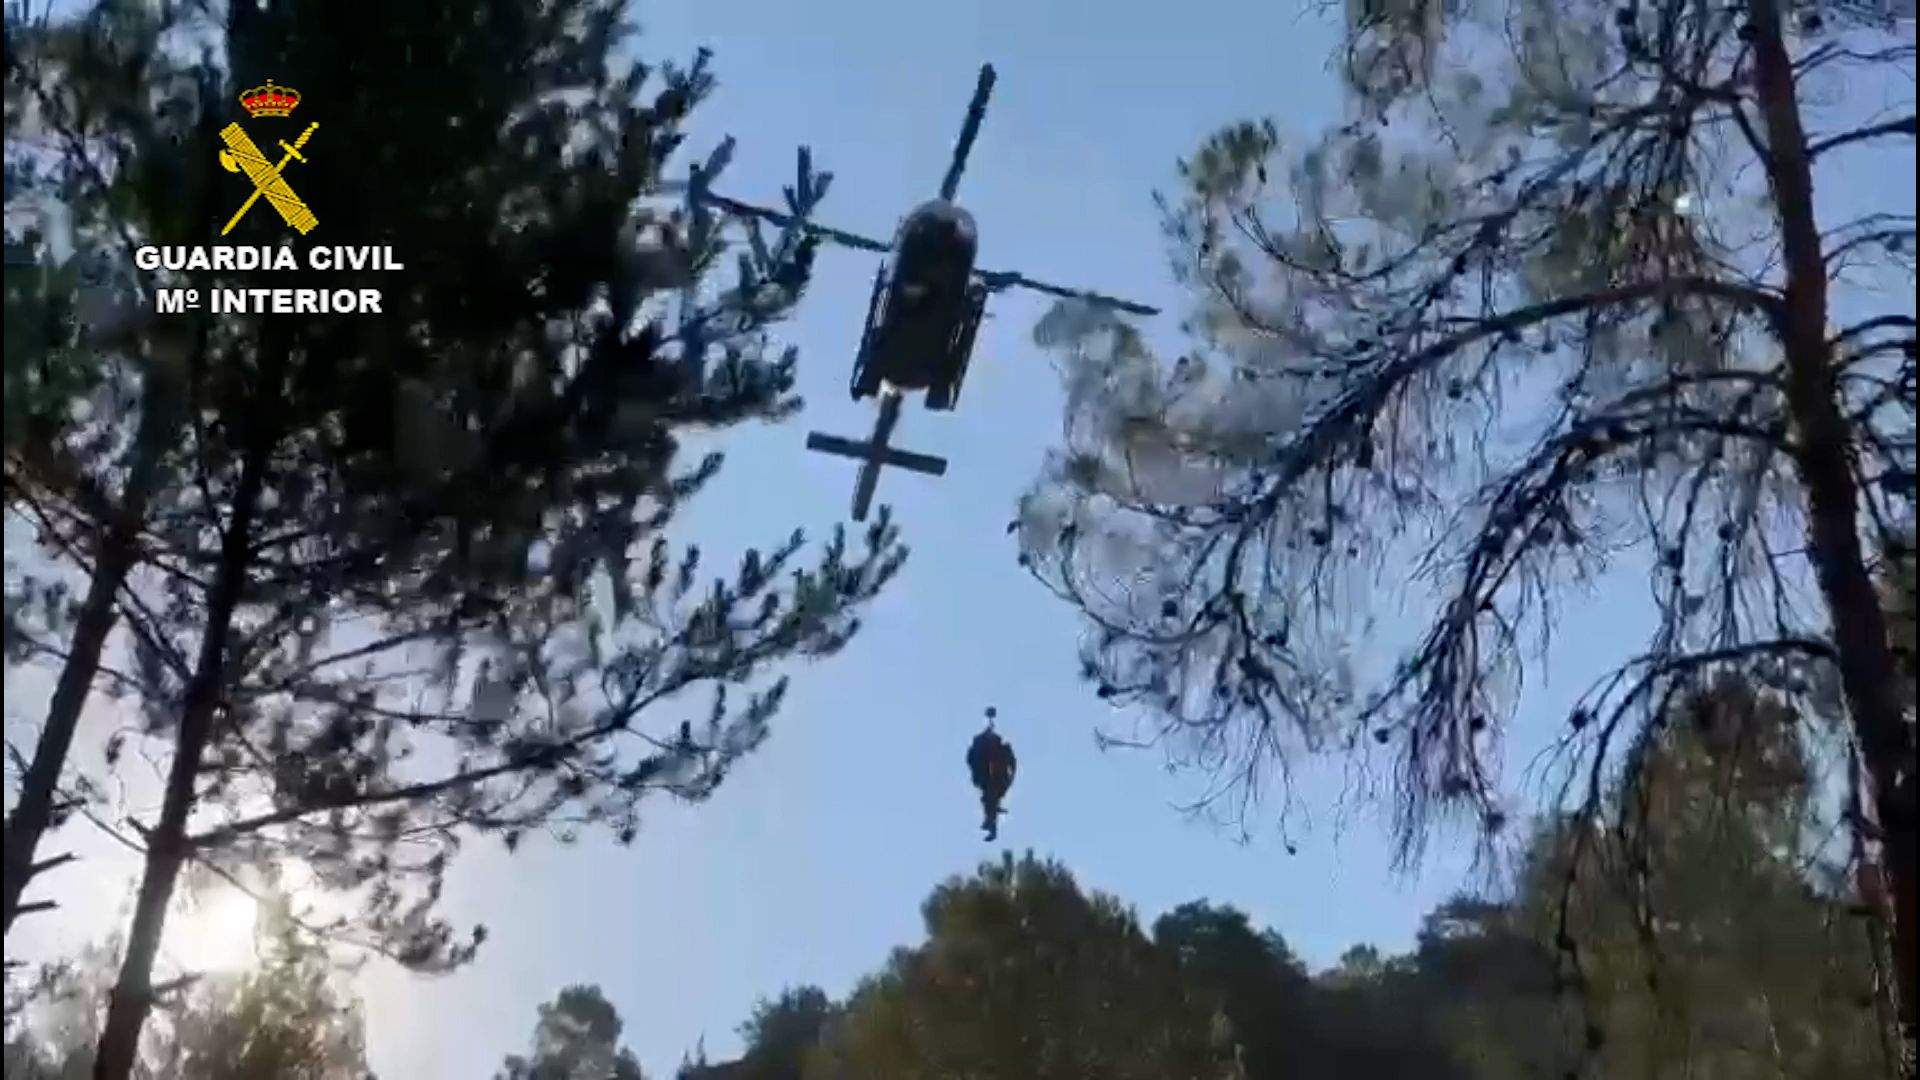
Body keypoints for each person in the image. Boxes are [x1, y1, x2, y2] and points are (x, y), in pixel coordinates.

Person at [965, 707, 1017, 841]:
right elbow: (971, 759)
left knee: (990, 799)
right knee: (990, 799)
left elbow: (1012, 763)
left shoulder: (999, 748)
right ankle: (990, 823)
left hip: (994, 778)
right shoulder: (983, 744)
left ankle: (991, 824)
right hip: (989, 778)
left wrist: (1009, 779)